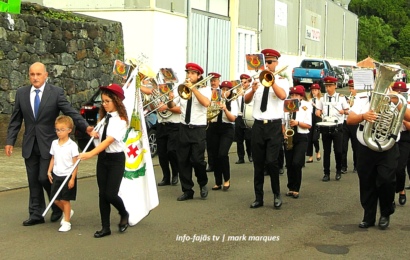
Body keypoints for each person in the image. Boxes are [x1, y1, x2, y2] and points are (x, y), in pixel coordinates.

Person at [5, 62, 92, 226]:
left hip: (50, 145)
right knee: (33, 181)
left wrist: (85, 127)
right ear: (29, 76)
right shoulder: (21, 93)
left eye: (38, 74)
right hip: (30, 144)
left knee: (45, 178)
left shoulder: (56, 93)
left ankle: (57, 205)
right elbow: (16, 119)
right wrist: (10, 140)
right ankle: (36, 214)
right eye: (32, 74)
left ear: (45, 75)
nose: (35, 77)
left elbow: (70, 111)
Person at [346, 86, 410, 229]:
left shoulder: (394, 99)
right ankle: (368, 216)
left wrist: (397, 101)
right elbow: (350, 120)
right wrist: (364, 116)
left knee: (387, 181)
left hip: (388, 146)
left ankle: (385, 213)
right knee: (367, 182)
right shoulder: (362, 98)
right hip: (366, 145)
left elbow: (409, 117)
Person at [78, 84, 129, 238]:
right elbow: (100, 138)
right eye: (103, 101)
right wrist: (94, 133)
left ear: (117, 101)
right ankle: (105, 227)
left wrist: (90, 154)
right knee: (102, 194)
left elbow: (108, 141)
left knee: (111, 194)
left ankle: (123, 213)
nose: (104, 104)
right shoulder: (103, 118)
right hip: (103, 159)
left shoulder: (121, 121)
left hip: (116, 159)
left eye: (107, 101)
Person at [245, 48, 289, 209]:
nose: (268, 65)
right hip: (258, 125)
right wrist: (252, 89)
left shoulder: (282, 80)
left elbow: (283, 96)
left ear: (276, 63)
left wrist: (272, 81)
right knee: (258, 164)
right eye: (266, 62)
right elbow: (246, 101)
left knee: (272, 162)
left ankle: (277, 194)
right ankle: (259, 197)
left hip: (274, 125)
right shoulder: (255, 80)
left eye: (271, 62)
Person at [168, 63, 212, 201]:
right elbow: (172, 106)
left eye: (193, 73)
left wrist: (193, 89)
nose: (189, 75)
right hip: (183, 128)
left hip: (198, 129)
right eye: (188, 73)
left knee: (198, 161)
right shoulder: (182, 88)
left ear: (199, 76)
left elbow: (206, 103)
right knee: (183, 161)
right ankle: (187, 190)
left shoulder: (205, 89)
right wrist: (169, 100)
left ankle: (202, 183)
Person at [47, 115, 79, 232]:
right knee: (55, 199)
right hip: (57, 174)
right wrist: (49, 171)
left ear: (69, 130)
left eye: (62, 130)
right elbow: (52, 158)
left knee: (65, 199)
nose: (59, 132)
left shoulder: (72, 146)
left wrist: (72, 179)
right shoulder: (54, 143)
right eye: (57, 130)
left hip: (68, 175)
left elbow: (75, 164)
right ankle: (68, 212)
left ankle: (66, 222)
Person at [316, 77, 349, 182]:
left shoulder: (341, 97)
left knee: (338, 151)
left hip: (337, 126)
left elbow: (347, 110)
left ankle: (338, 170)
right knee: (326, 151)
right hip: (326, 126)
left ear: (335, 86)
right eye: (326, 86)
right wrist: (318, 112)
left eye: (330, 86)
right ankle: (326, 173)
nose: (328, 88)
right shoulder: (322, 98)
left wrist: (343, 112)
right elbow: (318, 110)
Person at [283, 86, 312, 199]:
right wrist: (284, 133)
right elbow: (283, 121)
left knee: (296, 163)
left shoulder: (306, 106)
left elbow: (309, 125)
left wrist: (297, 123)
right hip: (289, 136)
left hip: (301, 136)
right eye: (292, 95)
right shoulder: (286, 105)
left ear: (301, 96)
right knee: (289, 163)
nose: (294, 97)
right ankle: (290, 187)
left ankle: (296, 188)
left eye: (296, 95)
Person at [209, 81, 238, 191]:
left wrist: (225, 109)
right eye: (223, 90)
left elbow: (233, 119)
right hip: (214, 128)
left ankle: (226, 179)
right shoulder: (214, 100)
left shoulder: (233, 102)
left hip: (227, 129)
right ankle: (217, 182)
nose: (225, 92)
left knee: (222, 154)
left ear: (230, 92)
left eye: (227, 90)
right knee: (214, 155)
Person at [154, 84, 181, 187]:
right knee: (162, 154)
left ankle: (175, 173)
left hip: (174, 125)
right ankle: (166, 177)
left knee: (171, 150)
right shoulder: (158, 92)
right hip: (161, 125)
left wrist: (166, 107)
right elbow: (153, 107)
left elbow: (180, 110)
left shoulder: (178, 92)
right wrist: (153, 103)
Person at [391, 81, 410, 206]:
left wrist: (401, 118)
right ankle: (389, 195)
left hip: (404, 137)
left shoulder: (407, 105)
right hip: (390, 136)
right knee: (389, 168)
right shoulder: (388, 104)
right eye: (396, 92)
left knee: (400, 168)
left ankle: (401, 190)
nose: (398, 94)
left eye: (400, 92)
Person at [341, 80, 359, 173]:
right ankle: (343, 166)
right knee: (343, 145)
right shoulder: (345, 98)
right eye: (350, 88)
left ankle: (356, 165)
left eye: (353, 88)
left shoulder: (359, 100)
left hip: (355, 124)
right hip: (345, 122)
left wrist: (353, 105)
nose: (351, 90)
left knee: (355, 146)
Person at [235, 74, 253, 164]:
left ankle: (250, 155)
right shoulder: (238, 91)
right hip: (239, 116)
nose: (243, 83)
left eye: (245, 82)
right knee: (239, 139)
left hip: (248, 116)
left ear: (249, 82)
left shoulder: (251, 91)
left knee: (249, 138)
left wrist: (244, 94)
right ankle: (241, 157)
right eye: (241, 82)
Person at [206, 72, 221, 172]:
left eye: (215, 80)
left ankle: (218, 164)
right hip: (210, 121)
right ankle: (211, 164)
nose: (213, 82)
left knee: (218, 145)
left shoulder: (222, 91)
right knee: (210, 145)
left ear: (219, 81)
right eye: (211, 81)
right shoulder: (207, 91)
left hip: (219, 120)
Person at [306, 84, 322, 163]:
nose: (314, 92)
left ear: (318, 91)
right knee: (309, 138)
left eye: (315, 90)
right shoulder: (309, 100)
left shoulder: (321, 99)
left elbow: (323, 110)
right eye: (312, 90)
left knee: (315, 138)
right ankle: (310, 156)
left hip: (317, 118)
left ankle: (317, 151)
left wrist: (315, 105)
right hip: (310, 118)